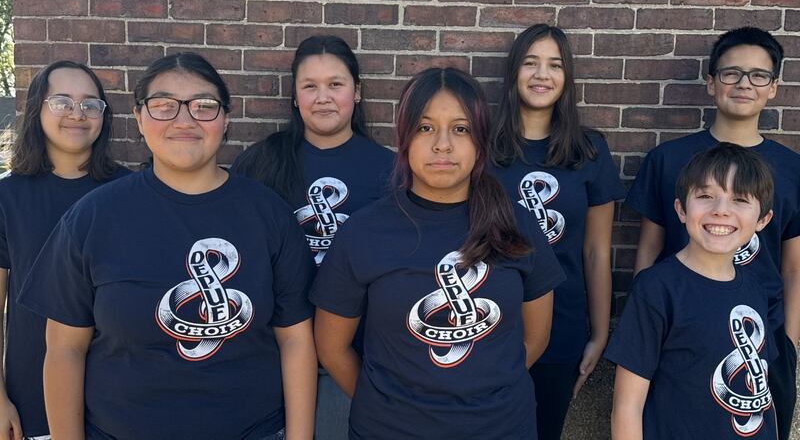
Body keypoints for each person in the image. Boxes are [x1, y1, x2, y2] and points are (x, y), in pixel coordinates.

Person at [18, 53, 316, 440]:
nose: (184, 120)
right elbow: (63, 350)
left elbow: (295, 339)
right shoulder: (93, 217)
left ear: (225, 120)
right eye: (163, 106)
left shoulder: (269, 215)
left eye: (204, 106)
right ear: (140, 119)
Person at [311, 67, 566, 439]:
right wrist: (392, 408)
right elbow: (332, 349)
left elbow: (536, 337)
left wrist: (484, 396)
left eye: (460, 129)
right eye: (425, 127)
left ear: (480, 139)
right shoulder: (364, 232)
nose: (442, 144)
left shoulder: (518, 225)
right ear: (404, 137)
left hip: (501, 428)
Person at [626, 26, 799, 438]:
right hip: (681, 336)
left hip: (763, 340)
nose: (744, 84)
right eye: (731, 73)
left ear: (774, 88)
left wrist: (789, 342)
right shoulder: (667, 159)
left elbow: (793, 266)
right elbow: (648, 250)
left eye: (759, 75)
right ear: (710, 82)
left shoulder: (793, 169)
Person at [232, 35, 394, 440]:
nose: (323, 97)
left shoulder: (391, 171)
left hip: (356, 355)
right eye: (310, 86)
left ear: (356, 92)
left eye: (335, 84)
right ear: (294, 96)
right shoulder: (259, 163)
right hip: (273, 352)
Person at [490, 24, 626, 440]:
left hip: (561, 325)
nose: (541, 75)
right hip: (488, 323)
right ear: (514, 72)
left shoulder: (590, 151)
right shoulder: (482, 149)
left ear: (567, 78)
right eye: (530, 63)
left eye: (554, 65)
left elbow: (597, 253)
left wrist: (599, 334)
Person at [607, 143, 777, 439]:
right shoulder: (656, 288)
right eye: (705, 196)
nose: (721, 210)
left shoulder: (756, 290)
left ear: (763, 220)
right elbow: (627, 407)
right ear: (681, 210)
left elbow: (763, 392)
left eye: (739, 199)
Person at [0, 60, 129, 440]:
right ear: (37, 108)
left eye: (91, 104)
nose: (78, 113)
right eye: (62, 102)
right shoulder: (7, 197)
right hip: (33, 402)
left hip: (122, 400)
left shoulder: (131, 192)